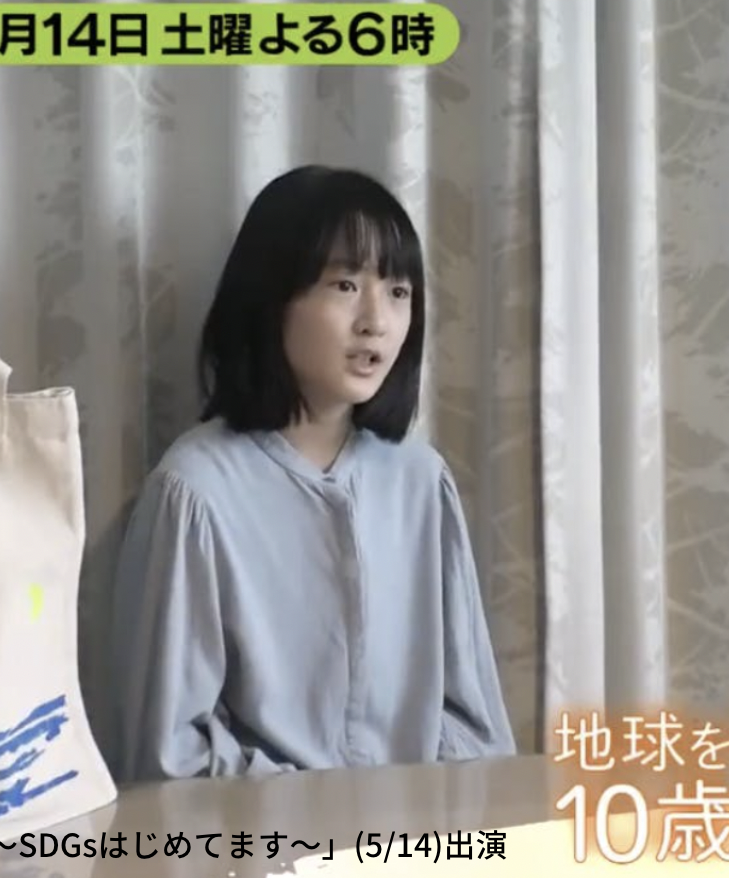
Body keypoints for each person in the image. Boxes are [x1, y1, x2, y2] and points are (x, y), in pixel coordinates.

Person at [111, 165, 517, 781]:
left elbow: (474, 726)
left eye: (399, 291)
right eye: (345, 285)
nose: (376, 321)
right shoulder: (194, 493)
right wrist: (321, 813)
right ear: (271, 298)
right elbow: (167, 755)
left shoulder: (420, 481)